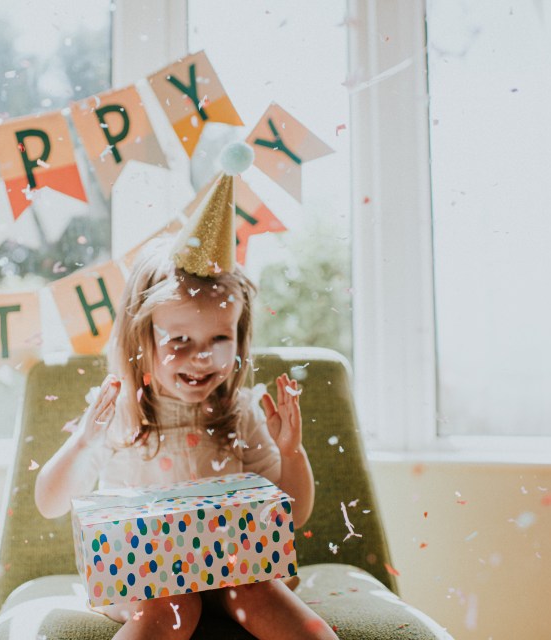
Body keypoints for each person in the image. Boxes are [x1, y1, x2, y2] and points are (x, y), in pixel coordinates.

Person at [34, 152, 339, 640]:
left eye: (219, 340)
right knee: (172, 602)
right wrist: (83, 442)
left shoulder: (239, 414)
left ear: (239, 338)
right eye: (180, 342)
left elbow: (293, 515)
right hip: (146, 577)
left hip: (238, 570)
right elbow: (50, 502)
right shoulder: (119, 413)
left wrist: (291, 453)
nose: (202, 359)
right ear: (142, 340)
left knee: (264, 594)